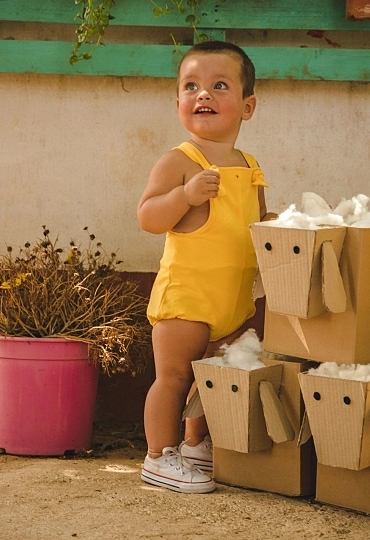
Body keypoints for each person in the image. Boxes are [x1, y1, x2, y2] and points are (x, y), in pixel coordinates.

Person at [137, 40, 276, 494]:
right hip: (187, 297)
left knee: (213, 379)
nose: (204, 95)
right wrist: (185, 195)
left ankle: (197, 445)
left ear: (247, 106)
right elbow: (149, 217)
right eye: (191, 86)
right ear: (177, 101)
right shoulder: (180, 161)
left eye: (220, 85)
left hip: (233, 300)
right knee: (175, 377)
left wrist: (275, 227)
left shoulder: (250, 166)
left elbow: (252, 227)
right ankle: (159, 456)